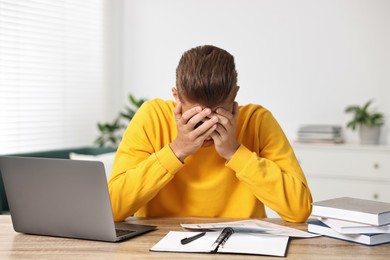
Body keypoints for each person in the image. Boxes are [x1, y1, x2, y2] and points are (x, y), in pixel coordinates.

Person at [108, 45, 312, 222]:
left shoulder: (257, 121)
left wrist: (235, 152)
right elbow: (112, 208)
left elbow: (299, 209)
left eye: (217, 118)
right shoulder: (152, 117)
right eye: (196, 118)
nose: (207, 130)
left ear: (235, 95)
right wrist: (177, 150)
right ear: (176, 97)